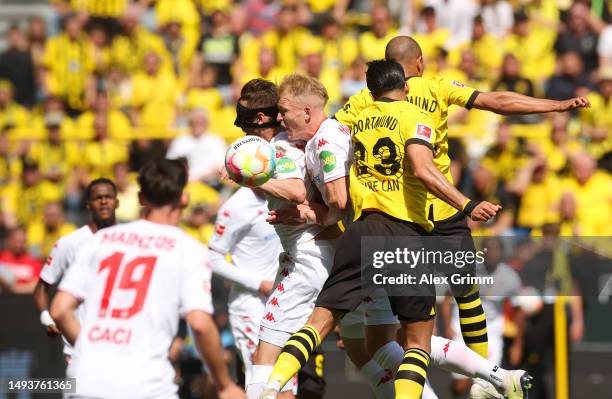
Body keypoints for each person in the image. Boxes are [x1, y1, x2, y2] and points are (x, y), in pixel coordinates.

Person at [260, 60, 500, 399]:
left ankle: (270, 387)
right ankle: (493, 375)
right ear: (405, 87)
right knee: (416, 342)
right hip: (405, 235)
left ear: (370, 91)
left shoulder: (356, 117)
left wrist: (309, 211)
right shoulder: (414, 116)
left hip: (360, 234)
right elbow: (421, 167)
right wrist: (467, 204)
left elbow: (333, 188)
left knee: (322, 324)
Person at [50, 160, 244, 399]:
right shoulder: (189, 250)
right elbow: (200, 323)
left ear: (141, 198)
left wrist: (88, 350)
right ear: (184, 198)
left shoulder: (101, 240)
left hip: (86, 381)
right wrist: (224, 384)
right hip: (146, 385)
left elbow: (59, 310)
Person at [231, 78, 328, 399]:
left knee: (264, 356)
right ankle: (487, 374)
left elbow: (295, 191)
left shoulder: (281, 148)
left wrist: (245, 177)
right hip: (316, 254)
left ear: (259, 119)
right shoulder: (287, 144)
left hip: (307, 258)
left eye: (244, 118)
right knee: (376, 349)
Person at [33, 178, 119, 357]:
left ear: (117, 202)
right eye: (98, 198)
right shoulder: (70, 243)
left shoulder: (131, 241)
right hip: (79, 348)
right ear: (88, 204)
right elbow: (42, 287)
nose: (103, 201)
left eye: (108, 197)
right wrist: (46, 317)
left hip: (118, 345)